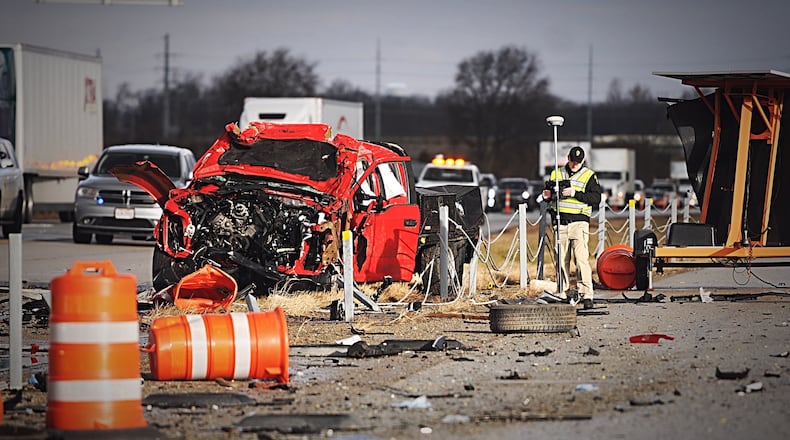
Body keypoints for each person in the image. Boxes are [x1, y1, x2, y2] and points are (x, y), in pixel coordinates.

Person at [542, 146, 602, 309]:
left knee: (581, 259)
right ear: (567, 157)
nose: (575, 164)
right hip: (560, 223)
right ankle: (563, 291)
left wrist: (575, 193)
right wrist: (546, 196)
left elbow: (596, 198)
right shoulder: (556, 173)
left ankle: (586, 293)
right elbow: (549, 194)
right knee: (561, 259)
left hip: (579, 223)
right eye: (572, 161)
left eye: (578, 162)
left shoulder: (589, 175)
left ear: (583, 161)